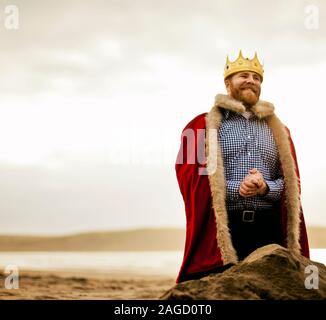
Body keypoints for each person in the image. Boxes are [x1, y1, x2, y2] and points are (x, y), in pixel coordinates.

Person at [175, 51, 309, 283]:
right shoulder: (199, 127)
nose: (250, 81)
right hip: (226, 227)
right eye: (243, 76)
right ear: (228, 84)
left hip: (269, 227)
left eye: (256, 78)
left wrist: (265, 187)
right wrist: (238, 187)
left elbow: (291, 184)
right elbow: (191, 179)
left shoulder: (281, 131)